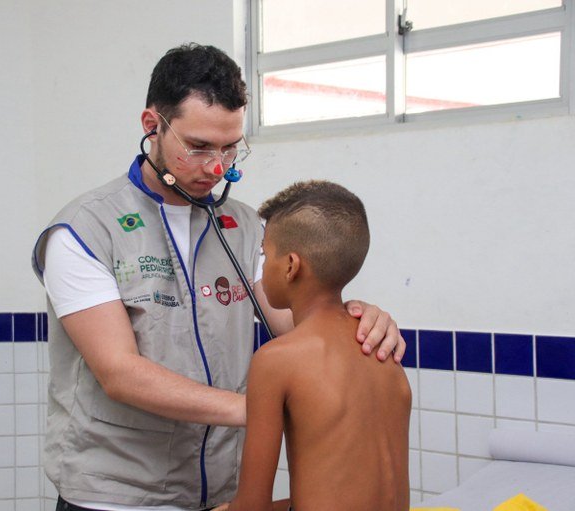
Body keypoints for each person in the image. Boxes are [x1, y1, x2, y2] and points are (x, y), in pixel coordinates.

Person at [31, 43, 406, 511]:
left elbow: (297, 327)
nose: (217, 167)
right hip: (117, 497)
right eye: (199, 147)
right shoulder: (84, 230)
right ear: (152, 126)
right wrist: (261, 409)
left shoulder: (247, 227)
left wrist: (355, 321)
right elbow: (120, 374)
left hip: (219, 492)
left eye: (230, 148)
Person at [221, 181, 411, 511]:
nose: (261, 267)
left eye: (264, 255)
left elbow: (251, 506)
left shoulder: (277, 359)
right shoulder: (381, 348)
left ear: (291, 266)